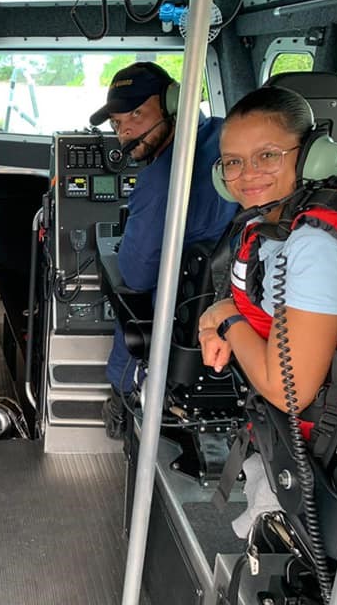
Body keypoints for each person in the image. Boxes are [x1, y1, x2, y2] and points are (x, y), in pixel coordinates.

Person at [196, 86, 337, 539]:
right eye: (233, 162)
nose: (247, 175)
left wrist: (225, 317)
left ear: (313, 154)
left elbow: (288, 391)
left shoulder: (314, 247)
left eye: (268, 155)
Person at [89, 62, 237, 436]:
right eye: (117, 123)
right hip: (235, 306)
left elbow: (137, 273)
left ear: (174, 102)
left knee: (130, 301)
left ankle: (123, 400)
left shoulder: (158, 181)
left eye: (137, 114)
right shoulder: (230, 136)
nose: (125, 132)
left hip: (182, 320)